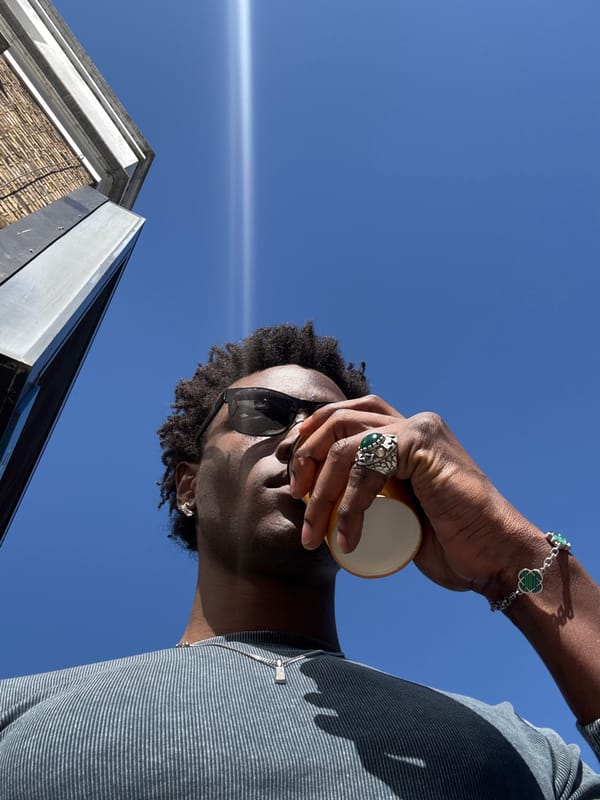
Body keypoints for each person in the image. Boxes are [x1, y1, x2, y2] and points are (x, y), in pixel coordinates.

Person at [1, 321, 599, 799]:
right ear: (188, 486)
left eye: (338, 427)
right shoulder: (17, 716)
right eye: (262, 412)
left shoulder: (522, 753)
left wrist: (511, 556)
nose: (303, 441)